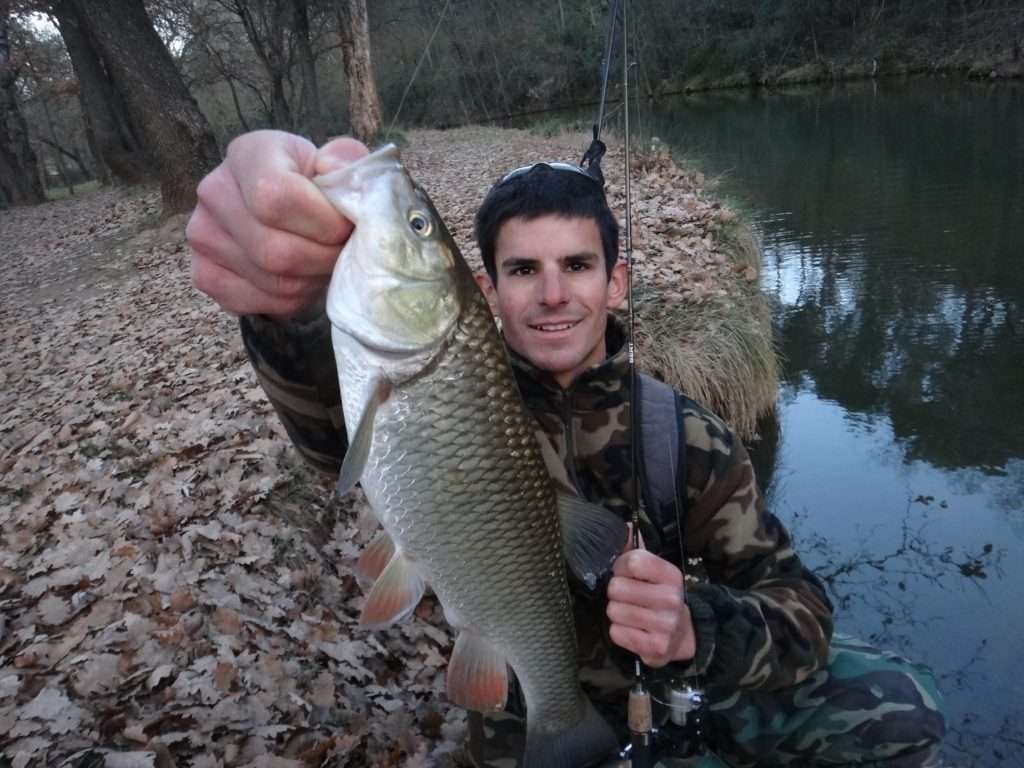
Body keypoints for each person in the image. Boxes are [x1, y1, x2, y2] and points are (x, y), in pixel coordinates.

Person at [187, 130, 946, 767]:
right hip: (525, 704)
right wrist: (284, 314)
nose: (553, 295)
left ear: (615, 282)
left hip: (678, 697)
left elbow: (802, 611)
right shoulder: (440, 385)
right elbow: (328, 426)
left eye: (576, 266)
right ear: (486, 292)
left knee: (900, 707)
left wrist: (695, 626)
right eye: (523, 270)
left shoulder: (686, 436)